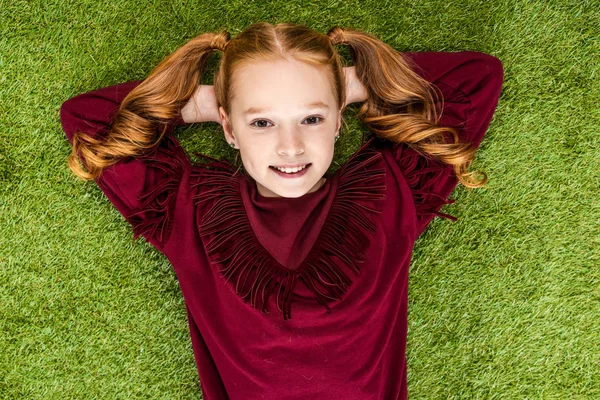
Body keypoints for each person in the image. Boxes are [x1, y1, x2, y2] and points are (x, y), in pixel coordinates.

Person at [60, 22, 503, 400]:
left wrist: (340, 84)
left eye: (311, 119)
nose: (290, 146)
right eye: (261, 122)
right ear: (229, 128)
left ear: (338, 121)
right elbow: (89, 118)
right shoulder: (189, 210)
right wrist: (215, 103)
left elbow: (477, 77)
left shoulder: (390, 192)